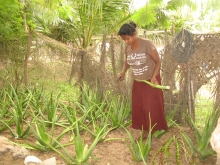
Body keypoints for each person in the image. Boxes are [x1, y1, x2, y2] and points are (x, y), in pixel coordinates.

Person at [117, 21, 168, 140]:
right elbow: (128, 61)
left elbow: (157, 61)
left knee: (151, 108)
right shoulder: (128, 47)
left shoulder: (146, 44)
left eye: (128, 38)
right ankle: (144, 132)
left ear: (134, 34)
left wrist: (154, 76)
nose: (126, 41)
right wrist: (123, 71)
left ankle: (151, 133)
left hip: (151, 81)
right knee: (140, 108)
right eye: (124, 39)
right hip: (138, 82)